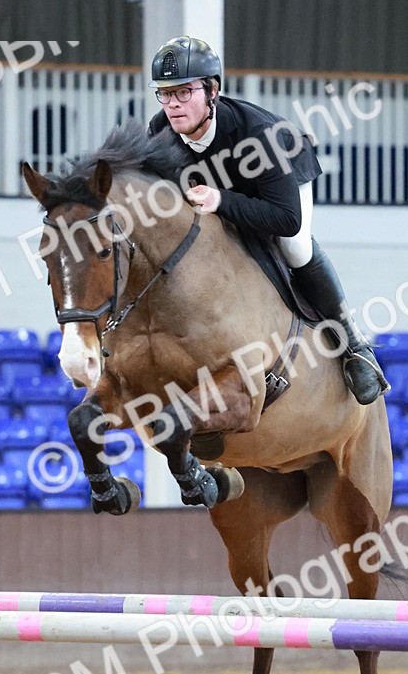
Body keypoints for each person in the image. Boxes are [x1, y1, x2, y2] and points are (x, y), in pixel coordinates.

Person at [147, 36, 388, 405]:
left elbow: (286, 219)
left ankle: (353, 346)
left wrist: (220, 199)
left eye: (184, 92)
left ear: (212, 90)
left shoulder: (258, 134)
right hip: (223, 192)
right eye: (164, 94)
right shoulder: (159, 131)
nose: (173, 105)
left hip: (284, 181)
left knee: (295, 248)